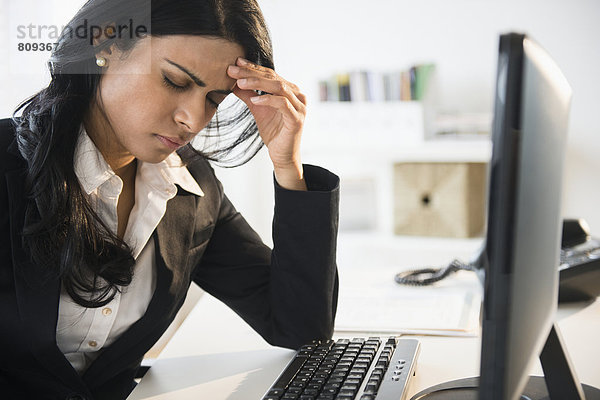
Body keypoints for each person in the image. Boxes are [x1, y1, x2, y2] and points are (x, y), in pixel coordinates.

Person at [0, 0, 339, 399]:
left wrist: (288, 168)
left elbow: (300, 327)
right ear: (106, 45)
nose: (194, 121)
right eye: (176, 81)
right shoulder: (9, 166)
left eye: (214, 99)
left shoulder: (191, 190)